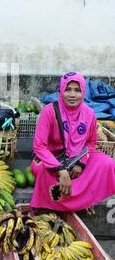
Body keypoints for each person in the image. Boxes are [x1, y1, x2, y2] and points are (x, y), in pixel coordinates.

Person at [30, 72, 115, 212]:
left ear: (83, 92)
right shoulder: (49, 111)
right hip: (51, 158)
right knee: (41, 171)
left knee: (108, 164)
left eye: (77, 90)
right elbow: (39, 147)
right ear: (61, 90)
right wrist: (61, 171)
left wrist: (81, 163)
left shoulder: (89, 114)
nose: (72, 95)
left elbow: (91, 143)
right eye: (68, 89)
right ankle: (54, 204)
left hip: (77, 158)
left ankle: (83, 200)